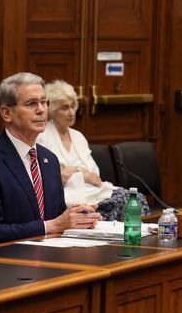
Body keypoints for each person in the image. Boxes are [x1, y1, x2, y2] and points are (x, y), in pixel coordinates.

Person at [0, 72, 101, 247]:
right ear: (7, 113)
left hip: (49, 253)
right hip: (0, 258)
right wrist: (51, 226)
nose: (41, 110)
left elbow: (56, 216)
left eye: (44, 102)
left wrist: (76, 217)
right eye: (31, 104)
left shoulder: (49, 159)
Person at [36, 80, 149, 220]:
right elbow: (53, 178)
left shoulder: (78, 136)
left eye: (73, 106)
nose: (71, 112)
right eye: (64, 108)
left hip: (93, 191)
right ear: (52, 111)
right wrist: (82, 173)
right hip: (68, 196)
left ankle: (136, 233)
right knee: (117, 204)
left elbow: (95, 177)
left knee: (136, 199)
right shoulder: (42, 136)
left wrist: (74, 171)